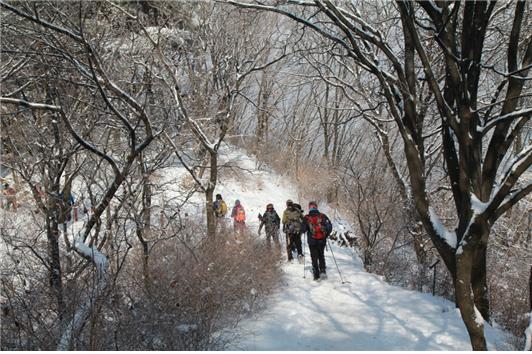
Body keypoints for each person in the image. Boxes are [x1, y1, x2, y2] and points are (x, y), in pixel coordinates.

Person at [302, 201, 333, 281]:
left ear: (309, 208)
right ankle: (322, 271)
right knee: (321, 255)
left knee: (314, 256)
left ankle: (316, 274)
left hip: (311, 241)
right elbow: (329, 226)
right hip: (321, 240)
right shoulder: (322, 216)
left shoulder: (306, 217)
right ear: (316, 207)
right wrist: (326, 234)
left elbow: (303, 229)